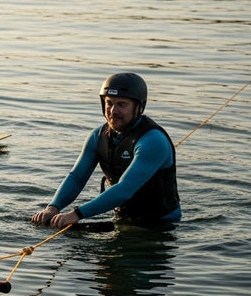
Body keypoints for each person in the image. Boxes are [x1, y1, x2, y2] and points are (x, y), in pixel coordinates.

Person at [31, 72, 181, 229]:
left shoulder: (153, 141)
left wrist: (76, 214)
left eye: (122, 105)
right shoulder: (98, 136)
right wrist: (53, 207)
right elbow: (77, 177)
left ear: (139, 107)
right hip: (123, 218)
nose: (113, 111)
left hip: (161, 223)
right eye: (109, 103)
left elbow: (124, 190)